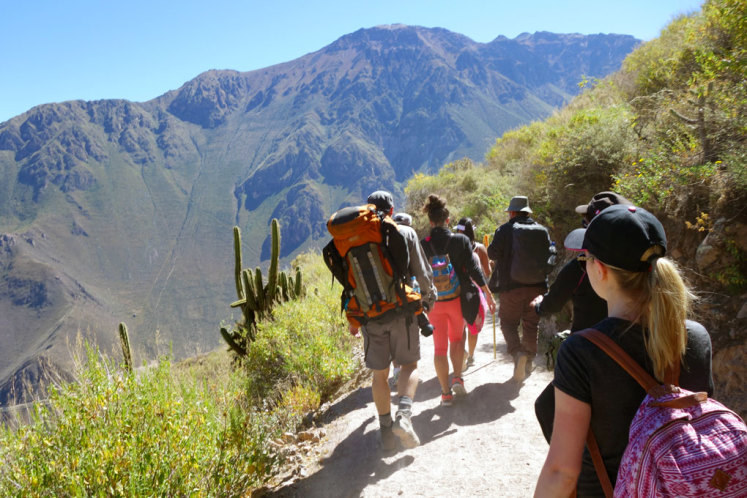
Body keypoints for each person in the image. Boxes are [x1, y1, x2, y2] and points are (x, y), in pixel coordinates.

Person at [534, 204, 714, 497]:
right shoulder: (694, 336)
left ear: (600, 269)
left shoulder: (581, 352)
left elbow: (562, 472)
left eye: (585, 260)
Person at [532, 192, 631, 442]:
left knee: (546, 408)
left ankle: (581, 465)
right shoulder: (639, 266)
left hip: (588, 352)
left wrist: (539, 307)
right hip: (632, 352)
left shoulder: (581, 265)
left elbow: (552, 303)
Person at [356, 191, 437, 451]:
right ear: (391, 211)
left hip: (371, 316)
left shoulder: (355, 238)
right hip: (402, 311)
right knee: (410, 365)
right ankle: (403, 417)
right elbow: (423, 275)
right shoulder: (405, 233)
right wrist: (427, 301)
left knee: (379, 376)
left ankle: (385, 433)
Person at [421, 194, 496, 406]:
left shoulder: (423, 244)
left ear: (430, 221)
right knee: (456, 339)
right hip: (457, 301)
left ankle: (445, 394)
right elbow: (475, 270)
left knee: (438, 348)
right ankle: (457, 377)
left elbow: (416, 274)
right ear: (447, 220)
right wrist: (488, 294)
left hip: (434, 304)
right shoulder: (461, 241)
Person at [488, 195, 554, 383]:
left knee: (508, 323)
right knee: (531, 324)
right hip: (538, 289)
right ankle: (529, 360)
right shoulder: (542, 230)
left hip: (511, 288)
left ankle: (518, 354)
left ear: (512, 212)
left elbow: (492, 253)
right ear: (527, 212)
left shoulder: (505, 230)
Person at [455, 217, 490, 369]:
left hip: (457, 292)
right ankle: (471, 355)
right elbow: (487, 273)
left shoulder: (452, 247)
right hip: (475, 293)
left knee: (460, 326)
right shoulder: (480, 248)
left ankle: (461, 353)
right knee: (473, 325)